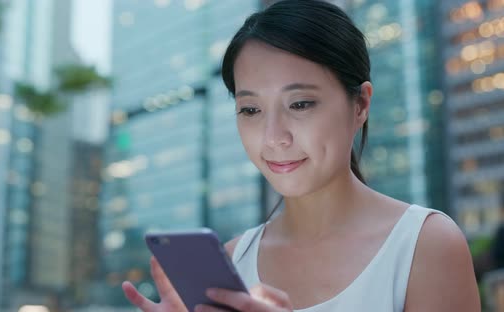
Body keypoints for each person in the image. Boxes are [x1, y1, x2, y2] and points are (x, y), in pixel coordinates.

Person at [122, 0, 481, 311]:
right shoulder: (232, 263)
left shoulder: (425, 245)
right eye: (250, 110)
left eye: (301, 104)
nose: (274, 137)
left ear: (361, 105)